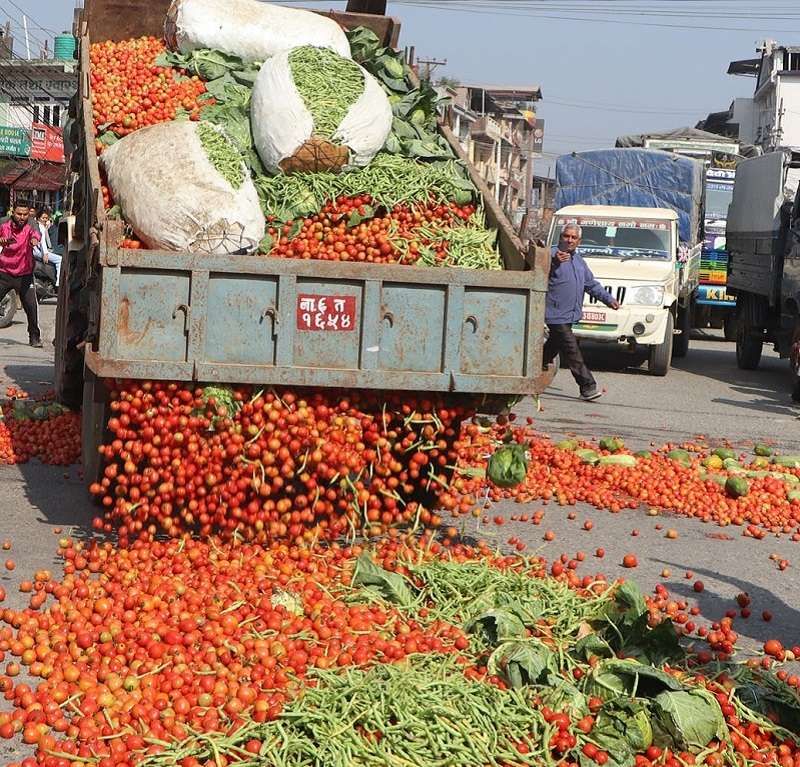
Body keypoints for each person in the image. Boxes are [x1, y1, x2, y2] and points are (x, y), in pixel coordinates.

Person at [543, 223, 619, 401]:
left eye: (573, 237)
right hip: (554, 314)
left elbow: (590, 284)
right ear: (560, 237)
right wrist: (554, 262)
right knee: (571, 349)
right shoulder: (549, 255)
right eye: (566, 236)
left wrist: (608, 299)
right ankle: (587, 386)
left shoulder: (579, 261)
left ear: (579, 241)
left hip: (570, 314)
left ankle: (535, 367)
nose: (569, 240)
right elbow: (540, 273)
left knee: (554, 346)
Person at [0, 200, 42, 347]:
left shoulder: (31, 224)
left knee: (31, 307)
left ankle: (34, 337)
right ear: (13, 212)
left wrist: (34, 240)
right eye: (19, 214)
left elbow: (36, 234)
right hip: (4, 272)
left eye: (25, 214)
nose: (22, 217)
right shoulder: (3, 223)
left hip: (25, 274)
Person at [34, 208, 61, 288]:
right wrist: (45, 253)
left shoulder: (41, 226)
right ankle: (58, 282)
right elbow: (42, 241)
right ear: (38, 218)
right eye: (43, 218)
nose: (45, 220)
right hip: (38, 251)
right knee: (60, 260)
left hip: (36, 251)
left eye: (46, 218)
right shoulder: (40, 227)